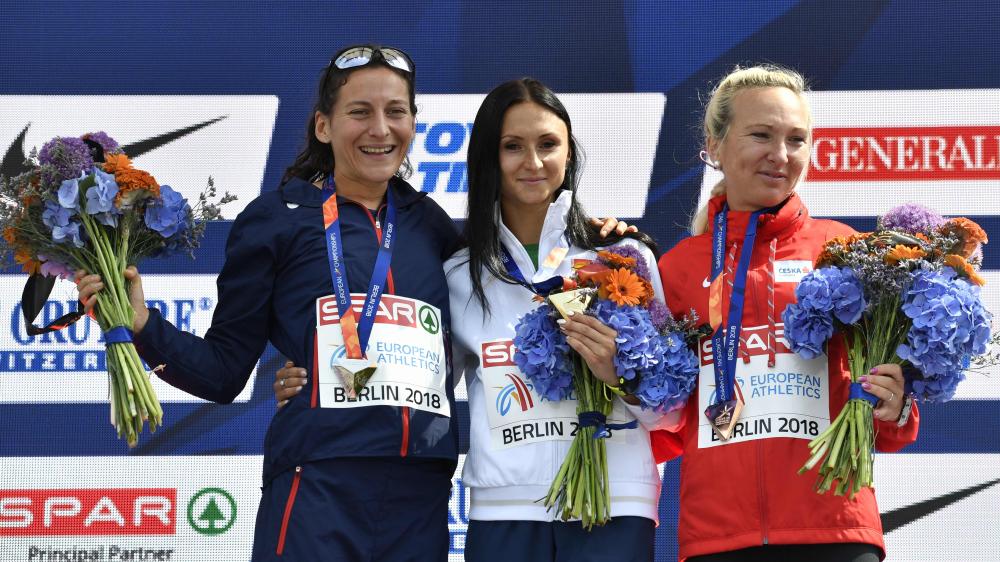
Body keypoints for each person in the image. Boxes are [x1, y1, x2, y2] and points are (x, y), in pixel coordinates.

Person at [78, 44, 464, 561]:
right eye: (359, 112)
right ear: (323, 126)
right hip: (319, 482)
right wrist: (143, 324)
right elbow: (222, 371)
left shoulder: (431, 223)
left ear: (413, 122)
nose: (380, 129)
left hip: (422, 486)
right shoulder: (278, 218)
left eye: (396, 111)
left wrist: (590, 241)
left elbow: (505, 297)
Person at [276, 78, 673, 562]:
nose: (533, 162)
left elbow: (669, 409)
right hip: (502, 512)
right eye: (512, 147)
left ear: (569, 154)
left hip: (615, 505)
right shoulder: (460, 274)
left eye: (548, 144)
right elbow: (414, 385)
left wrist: (619, 375)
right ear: (488, 158)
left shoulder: (623, 257)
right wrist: (315, 376)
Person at [653, 65, 920, 562]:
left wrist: (896, 401)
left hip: (836, 532)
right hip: (719, 536)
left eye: (797, 140)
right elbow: (664, 421)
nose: (781, 155)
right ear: (713, 146)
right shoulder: (677, 269)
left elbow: (891, 424)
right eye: (761, 135)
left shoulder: (845, 251)